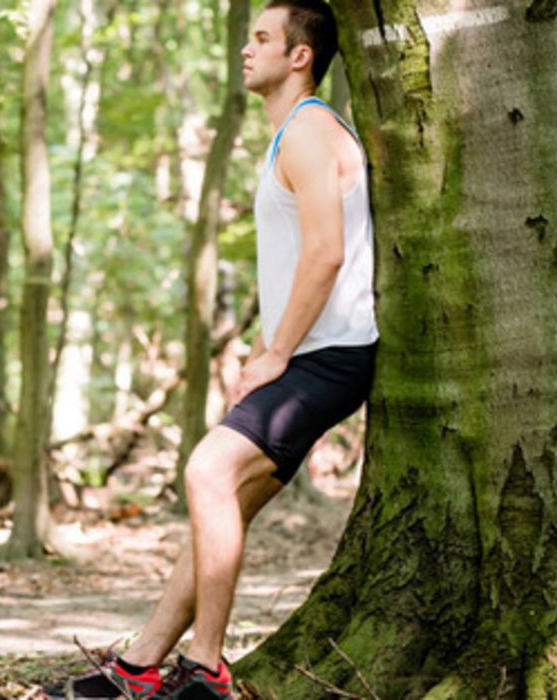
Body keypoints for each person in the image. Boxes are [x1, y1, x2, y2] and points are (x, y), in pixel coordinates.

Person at [45, 2, 376, 698]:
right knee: (217, 505)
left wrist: (277, 352)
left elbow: (326, 254)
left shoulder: (309, 133)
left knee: (204, 472)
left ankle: (206, 669)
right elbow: (294, 263)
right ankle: (140, 666)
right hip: (307, 351)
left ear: (300, 56)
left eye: (261, 38)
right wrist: (261, 351)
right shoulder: (292, 132)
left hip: (331, 354)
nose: (245, 49)